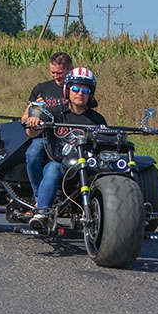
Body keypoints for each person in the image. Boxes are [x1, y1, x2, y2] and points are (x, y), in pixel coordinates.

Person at [23, 67, 107, 229]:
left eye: (85, 90)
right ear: (67, 90)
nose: (80, 93)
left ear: (91, 93)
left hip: (86, 167)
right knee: (52, 168)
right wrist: (33, 123)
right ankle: (42, 212)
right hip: (61, 166)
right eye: (75, 89)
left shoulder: (97, 120)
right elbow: (31, 133)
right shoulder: (54, 112)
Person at [21, 52, 74, 202]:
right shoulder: (42, 89)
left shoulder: (77, 90)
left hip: (70, 137)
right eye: (53, 73)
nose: (56, 77)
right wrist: (35, 111)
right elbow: (24, 118)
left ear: (70, 69)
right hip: (45, 136)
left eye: (60, 73)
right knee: (32, 153)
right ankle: (39, 196)